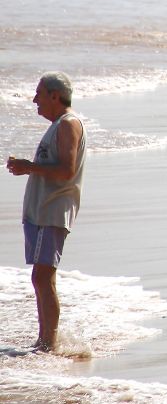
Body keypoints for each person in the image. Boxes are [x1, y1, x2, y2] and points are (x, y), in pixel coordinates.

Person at [6, 72, 86, 353]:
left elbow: (66, 170)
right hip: (42, 210)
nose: (34, 99)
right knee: (40, 276)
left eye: (39, 93)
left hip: (54, 210)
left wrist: (29, 166)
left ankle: (48, 344)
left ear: (55, 95)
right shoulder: (58, 125)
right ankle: (44, 341)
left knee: (42, 276)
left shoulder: (68, 124)